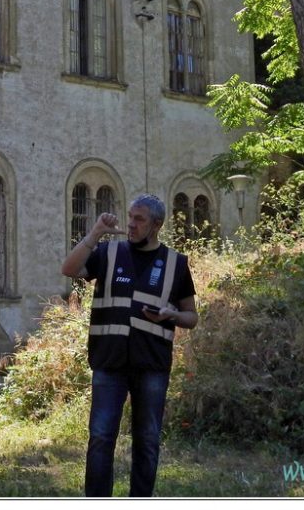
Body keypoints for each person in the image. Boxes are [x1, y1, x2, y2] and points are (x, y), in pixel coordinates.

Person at [61, 193, 198, 497]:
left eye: (140, 219)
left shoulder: (176, 264)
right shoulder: (108, 253)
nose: (132, 224)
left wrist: (172, 314)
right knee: (100, 438)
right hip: (109, 363)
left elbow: (192, 317)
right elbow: (69, 269)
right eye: (131, 217)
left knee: (147, 441)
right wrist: (96, 232)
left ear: (157, 225)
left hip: (152, 366)